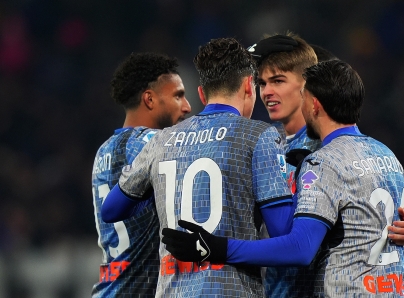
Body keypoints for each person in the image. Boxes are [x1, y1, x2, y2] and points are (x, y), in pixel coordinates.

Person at [162, 59, 404, 297]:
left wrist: (218, 249)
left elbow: (301, 248)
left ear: (314, 105)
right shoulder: (387, 155)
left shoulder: (324, 162)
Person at [101, 37, 294, 297]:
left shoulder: (162, 140)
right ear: (249, 86)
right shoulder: (258, 136)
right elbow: (284, 235)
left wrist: (161, 194)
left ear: (202, 94)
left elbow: (111, 209)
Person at [249, 33, 404, 297]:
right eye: (262, 83)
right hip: (272, 288)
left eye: (278, 81)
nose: (267, 92)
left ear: (308, 89)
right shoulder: (262, 144)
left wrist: (401, 222)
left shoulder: (328, 147)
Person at [91, 52, 191, 297]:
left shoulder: (103, 151)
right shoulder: (156, 143)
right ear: (149, 99)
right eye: (178, 95)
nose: (187, 106)